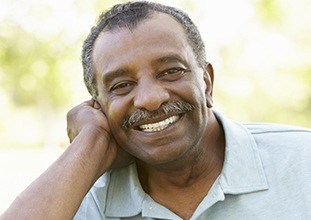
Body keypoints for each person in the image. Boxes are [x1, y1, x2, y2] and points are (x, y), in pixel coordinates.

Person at [1, 1, 311, 219]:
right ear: (99, 106)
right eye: (121, 85)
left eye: (170, 71)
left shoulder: (302, 162)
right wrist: (91, 142)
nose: (149, 99)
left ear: (206, 83)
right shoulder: (77, 198)